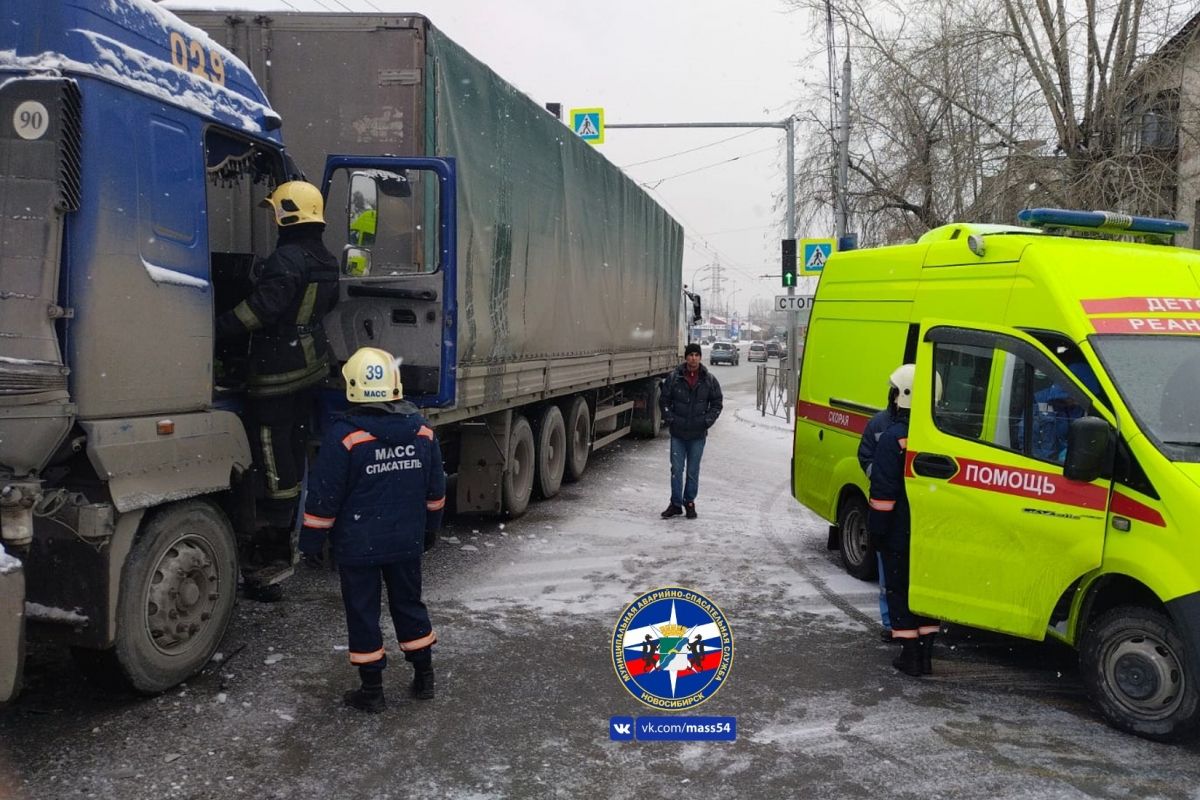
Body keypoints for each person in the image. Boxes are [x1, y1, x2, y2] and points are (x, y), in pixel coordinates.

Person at [298, 347, 446, 713]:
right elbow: (436, 491)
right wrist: (430, 531)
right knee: (409, 604)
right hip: (406, 541)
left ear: (352, 386)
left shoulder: (344, 437)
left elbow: (323, 498)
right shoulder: (423, 433)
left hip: (358, 545)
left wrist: (311, 544)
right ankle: (424, 677)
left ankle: (373, 691)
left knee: (363, 613)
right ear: (395, 385)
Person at [216, 180, 339, 602]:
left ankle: (272, 542)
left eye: (275, 211)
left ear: (288, 213)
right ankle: (287, 533)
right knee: (291, 448)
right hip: (310, 368)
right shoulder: (323, 257)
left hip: (277, 372)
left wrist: (213, 328)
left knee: (271, 455)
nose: (272, 217)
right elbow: (327, 304)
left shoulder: (287, 258)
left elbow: (260, 311)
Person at [868, 364, 940, 677]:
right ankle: (926, 657)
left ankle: (909, 657)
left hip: (899, 531)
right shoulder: (940, 437)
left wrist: (877, 532)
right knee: (925, 592)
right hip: (931, 532)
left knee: (899, 591)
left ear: (903, 395)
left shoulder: (894, 437)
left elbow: (884, 493)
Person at [659, 342, 723, 519]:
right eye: (690, 355)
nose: (693, 358)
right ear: (685, 357)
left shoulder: (708, 380)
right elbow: (664, 400)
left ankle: (690, 502)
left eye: (696, 355)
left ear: (700, 357)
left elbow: (717, 403)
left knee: (693, 471)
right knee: (676, 469)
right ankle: (675, 503)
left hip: (697, 435)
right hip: (678, 434)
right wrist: (669, 418)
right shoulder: (675, 378)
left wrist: (707, 421)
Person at [857, 381, 900, 643]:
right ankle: (889, 622)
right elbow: (865, 456)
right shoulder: (878, 424)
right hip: (885, 505)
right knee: (886, 570)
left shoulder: (920, 424)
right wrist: (882, 477)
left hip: (905, 506)